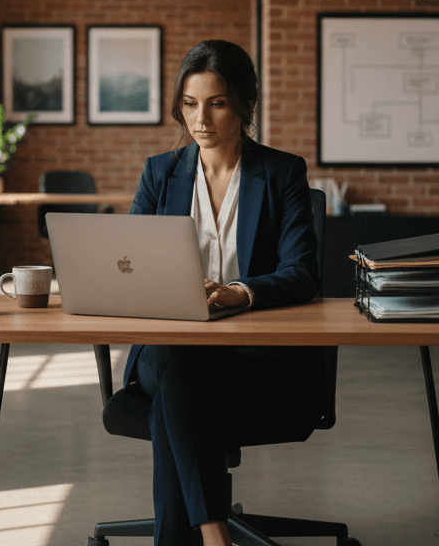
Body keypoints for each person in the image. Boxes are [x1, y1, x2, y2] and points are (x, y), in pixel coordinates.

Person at [124, 39, 325, 546]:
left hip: (252, 356)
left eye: (216, 102)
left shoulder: (281, 173)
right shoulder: (160, 174)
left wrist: (238, 292)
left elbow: (302, 272)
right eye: (190, 104)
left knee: (172, 396)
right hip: (169, 349)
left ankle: (198, 535)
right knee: (178, 355)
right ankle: (215, 533)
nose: (201, 118)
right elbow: (125, 266)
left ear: (244, 103)